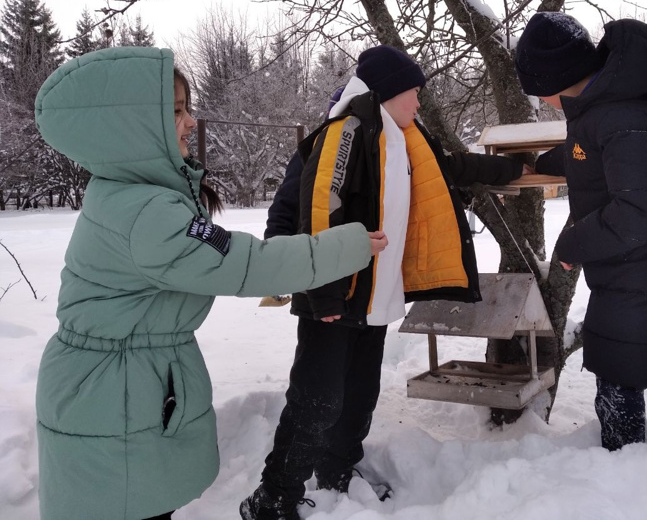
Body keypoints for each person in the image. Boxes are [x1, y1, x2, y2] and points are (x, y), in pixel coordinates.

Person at [33, 46, 387, 520]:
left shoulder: (130, 192)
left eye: (186, 107)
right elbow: (245, 263)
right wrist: (346, 247)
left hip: (116, 383)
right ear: (134, 126)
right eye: (176, 111)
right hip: (112, 394)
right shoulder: (147, 214)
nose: (189, 121)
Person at [241, 45, 530, 520]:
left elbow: (452, 169)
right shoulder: (340, 136)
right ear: (389, 93)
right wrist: (315, 289)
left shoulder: (405, 141)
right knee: (317, 400)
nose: (418, 103)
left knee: (358, 396)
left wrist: (516, 168)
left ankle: (337, 472)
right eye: (413, 93)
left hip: (375, 298)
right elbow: (308, 209)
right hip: (332, 293)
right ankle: (274, 496)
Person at [514, 12, 647, 450]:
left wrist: (574, 242)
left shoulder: (624, 117)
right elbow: (588, 154)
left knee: (622, 373)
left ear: (551, 79)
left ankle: (628, 470)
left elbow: (640, 209)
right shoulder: (608, 108)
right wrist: (543, 163)